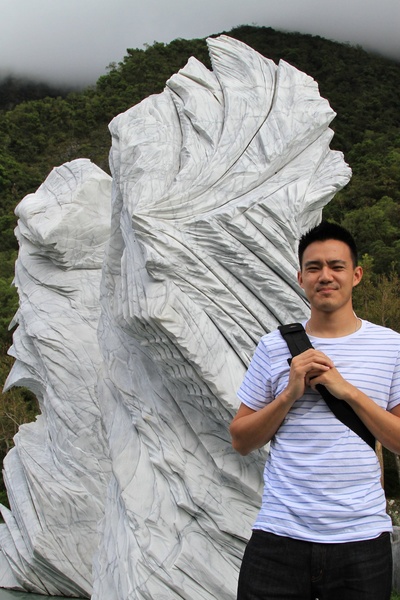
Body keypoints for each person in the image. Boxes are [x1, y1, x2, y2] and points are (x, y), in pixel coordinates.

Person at [230, 221, 400, 600]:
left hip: (361, 539)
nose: (325, 276)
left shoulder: (391, 346)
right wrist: (289, 394)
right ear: (300, 278)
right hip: (279, 537)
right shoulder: (273, 347)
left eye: (337, 266)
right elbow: (241, 439)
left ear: (356, 275)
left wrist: (347, 392)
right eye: (314, 268)